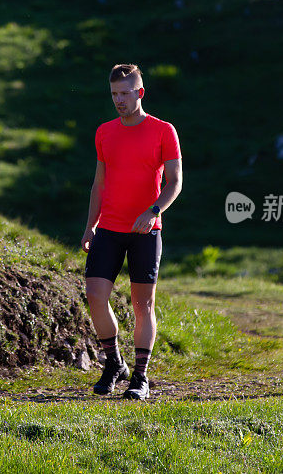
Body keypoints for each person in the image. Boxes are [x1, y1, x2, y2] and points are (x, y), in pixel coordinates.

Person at [80, 63, 182, 400]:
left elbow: (175, 183)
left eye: (125, 93)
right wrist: (90, 225)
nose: (119, 100)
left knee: (143, 305)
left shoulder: (163, 131)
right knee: (95, 295)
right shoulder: (104, 132)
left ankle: (140, 376)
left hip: (146, 229)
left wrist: (152, 212)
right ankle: (114, 362)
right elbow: (99, 183)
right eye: (114, 94)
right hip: (108, 227)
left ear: (140, 92)